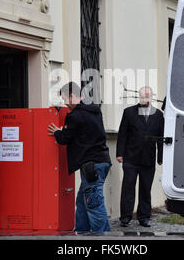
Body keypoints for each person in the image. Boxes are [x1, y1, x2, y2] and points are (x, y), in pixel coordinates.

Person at [47, 81, 112, 235]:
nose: (64, 103)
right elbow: (84, 133)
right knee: (83, 199)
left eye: (64, 99)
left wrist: (58, 132)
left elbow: (64, 139)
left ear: (71, 96)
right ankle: (82, 231)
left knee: (93, 202)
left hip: (91, 165)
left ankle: (100, 237)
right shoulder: (95, 111)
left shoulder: (75, 116)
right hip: (102, 160)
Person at [116, 86, 164, 227]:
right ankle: (125, 217)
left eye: (147, 96)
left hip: (148, 159)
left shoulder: (158, 115)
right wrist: (119, 153)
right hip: (130, 158)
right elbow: (122, 134)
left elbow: (160, 137)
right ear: (139, 97)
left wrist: (160, 157)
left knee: (145, 189)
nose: (145, 99)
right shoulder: (129, 112)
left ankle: (144, 217)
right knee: (128, 189)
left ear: (151, 97)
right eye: (143, 96)